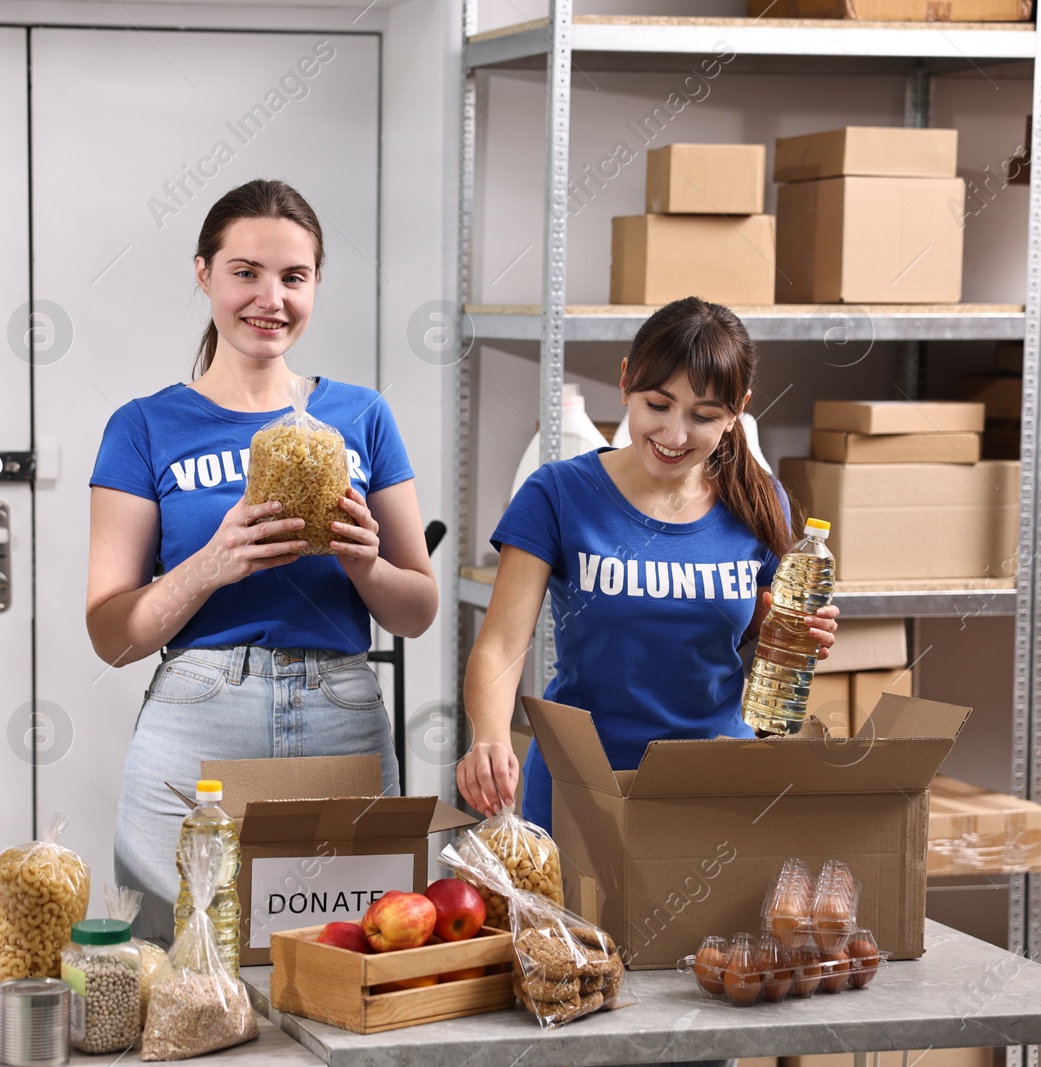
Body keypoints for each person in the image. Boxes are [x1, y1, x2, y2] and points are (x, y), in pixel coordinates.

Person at [85, 179, 438, 941]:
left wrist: (365, 563)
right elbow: (112, 636)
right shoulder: (144, 426)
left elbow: (417, 608)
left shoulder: (362, 417)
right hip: (198, 717)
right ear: (204, 273)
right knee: (177, 960)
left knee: (355, 954)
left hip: (342, 707)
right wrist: (212, 563)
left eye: (293, 277)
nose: (269, 298)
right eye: (245, 272)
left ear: (315, 285)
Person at [458, 296, 841, 829]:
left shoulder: (758, 501)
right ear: (625, 381)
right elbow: (501, 642)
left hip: (716, 786)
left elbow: (765, 628)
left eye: (704, 417)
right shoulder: (559, 494)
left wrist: (802, 630)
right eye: (657, 406)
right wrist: (490, 736)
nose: (674, 436)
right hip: (584, 784)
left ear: (738, 412)